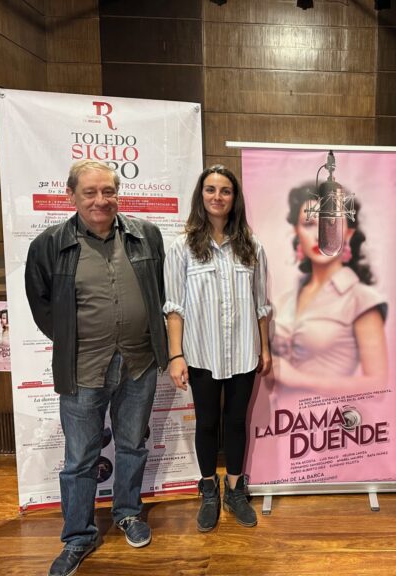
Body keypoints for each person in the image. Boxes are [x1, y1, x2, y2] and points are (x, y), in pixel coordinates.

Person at [25, 160, 168, 576]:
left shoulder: (147, 236)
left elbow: (160, 291)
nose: (100, 200)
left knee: (132, 445)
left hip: (139, 362)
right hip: (82, 367)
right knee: (79, 458)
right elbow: (41, 305)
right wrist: (75, 338)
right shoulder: (50, 244)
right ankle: (78, 536)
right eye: (90, 192)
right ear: (72, 195)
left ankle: (127, 512)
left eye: (108, 191)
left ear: (117, 194)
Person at [164, 165, 271, 531]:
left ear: (234, 198)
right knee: (207, 422)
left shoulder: (252, 247)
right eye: (210, 190)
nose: (217, 197)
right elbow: (174, 307)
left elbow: (261, 304)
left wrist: (265, 349)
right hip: (201, 353)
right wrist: (176, 355)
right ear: (201, 196)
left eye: (225, 191)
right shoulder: (182, 248)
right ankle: (209, 488)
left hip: (243, 351)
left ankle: (236, 489)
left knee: (237, 422)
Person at [269, 182, 387, 393]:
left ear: (348, 234)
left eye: (330, 224)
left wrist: (298, 379)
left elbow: (377, 384)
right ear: (297, 231)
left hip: (330, 419)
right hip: (281, 421)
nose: (320, 235)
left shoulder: (360, 299)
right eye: (309, 224)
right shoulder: (284, 299)